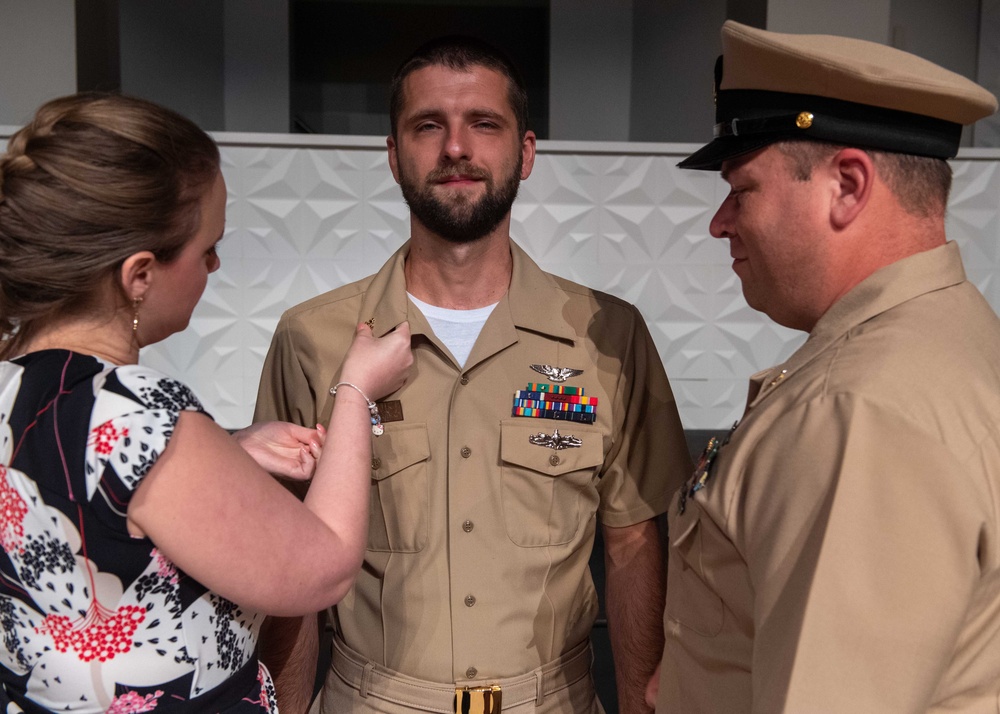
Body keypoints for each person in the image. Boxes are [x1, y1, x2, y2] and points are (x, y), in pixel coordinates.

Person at [254, 36, 691, 714]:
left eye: (484, 124)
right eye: (428, 126)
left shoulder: (607, 335)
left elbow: (633, 542)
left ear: (525, 151)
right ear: (394, 155)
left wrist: (638, 702)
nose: (456, 148)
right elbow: (289, 563)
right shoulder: (315, 339)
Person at [0, 92, 412, 712]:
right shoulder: (141, 414)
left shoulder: (15, 386)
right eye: (206, 249)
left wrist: (228, 449)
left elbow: (87, 494)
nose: (215, 265)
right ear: (139, 275)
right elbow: (323, 566)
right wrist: (355, 391)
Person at [652, 20, 1000, 713]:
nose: (721, 222)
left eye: (742, 189)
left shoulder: (858, 410)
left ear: (846, 185)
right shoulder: (957, 336)